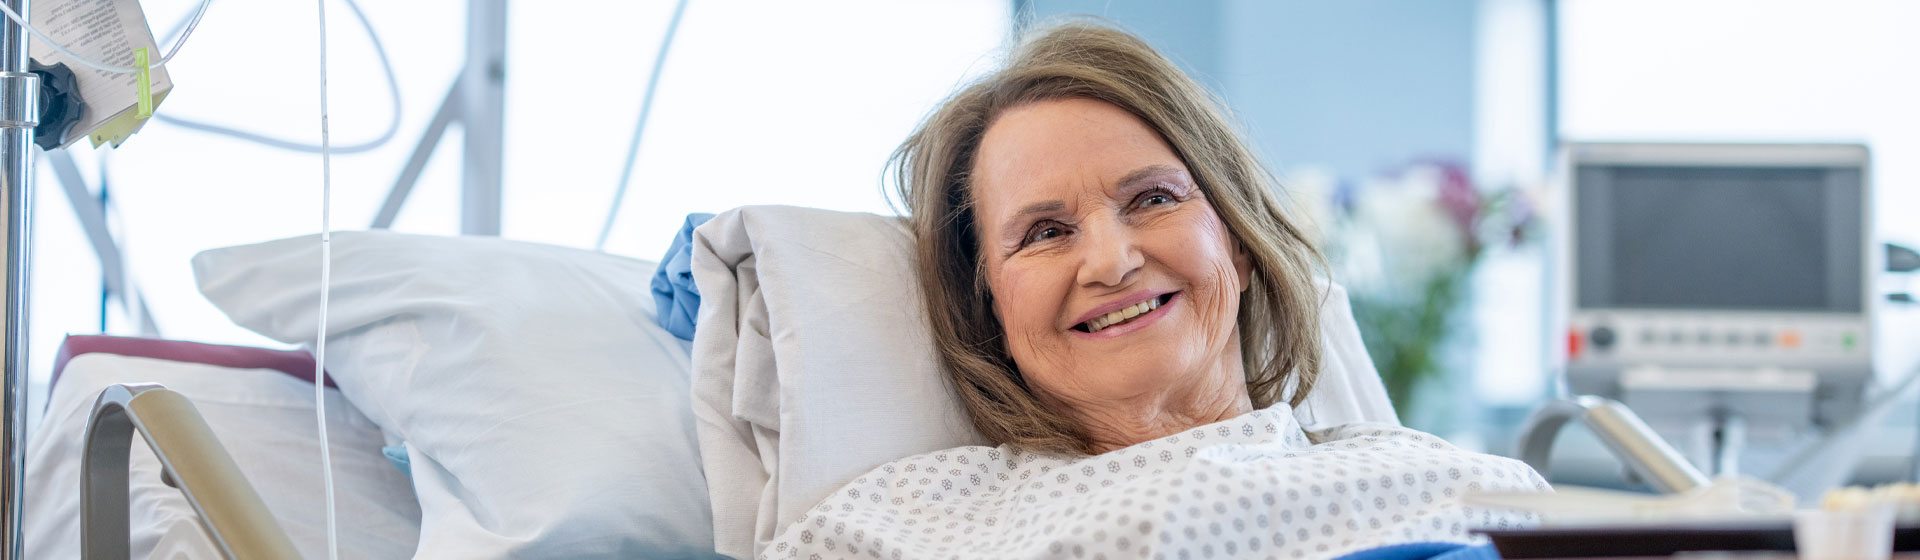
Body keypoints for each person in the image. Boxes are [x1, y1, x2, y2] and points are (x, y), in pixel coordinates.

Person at [763, 20, 1547, 560]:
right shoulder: (899, 524)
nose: (1110, 261)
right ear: (991, 306)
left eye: (1153, 199)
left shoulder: (1463, 488)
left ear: (1237, 242)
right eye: (1044, 232)